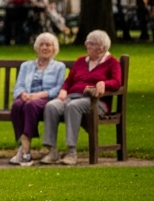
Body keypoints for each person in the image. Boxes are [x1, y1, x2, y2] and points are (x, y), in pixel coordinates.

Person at [41, 29, 123, 166]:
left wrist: (103, 83)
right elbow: (69, 80)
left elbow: (117, 82)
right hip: (72, 97)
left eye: (90, 44)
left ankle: (71, 152)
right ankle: (52, 151)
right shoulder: (81, 61)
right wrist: (63, 90)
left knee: (74, 106)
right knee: (51, 106)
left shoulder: (112, 63)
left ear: (100, 47)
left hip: (96, 102)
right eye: (87, 43)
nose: (87, 46)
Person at [8, 33, 65, 165]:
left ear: (54, 49)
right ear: (36, 48)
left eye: (48, 45)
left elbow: (58, 88)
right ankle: (24, 147)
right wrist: (22, 94)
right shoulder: (26, 66)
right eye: (41, 44)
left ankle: (24, 148)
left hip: (45, 99)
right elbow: (19, 85)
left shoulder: (59, 67)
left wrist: (38, 95)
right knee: (17, 105)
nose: (45, 47)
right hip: (27, 96)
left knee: (30, 105)